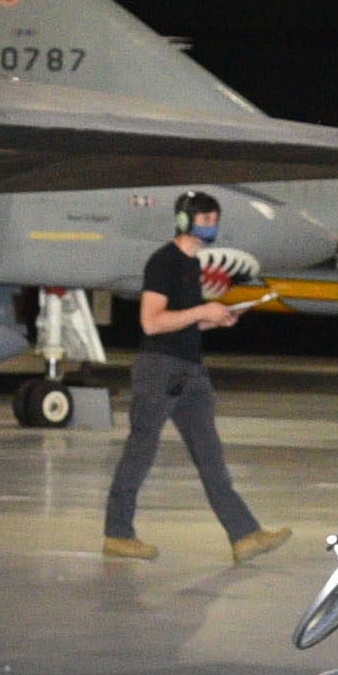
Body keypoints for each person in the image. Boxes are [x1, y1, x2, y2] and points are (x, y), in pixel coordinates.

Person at [105, 190, 291, 562]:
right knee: (140, 452)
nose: (211, 226)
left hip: (189, 369)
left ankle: (245, 534)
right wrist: (202, 312)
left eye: (214, 220)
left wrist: (216, 319)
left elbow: (181, 321)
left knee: (210, 455)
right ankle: (117, 534)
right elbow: (151, 322)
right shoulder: (164, 262)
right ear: (184, 221)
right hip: (160, 368)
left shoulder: (192, 265)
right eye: (205, 220)